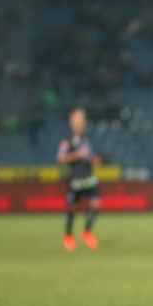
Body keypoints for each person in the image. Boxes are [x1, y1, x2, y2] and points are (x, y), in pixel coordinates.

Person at [57, 107, 100, 251]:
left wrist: (93, 160)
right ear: (72, 122)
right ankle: (68, 235)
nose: (81, 122)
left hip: (88, 176)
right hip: (75, 177)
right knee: (72, 207)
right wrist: (78, 155)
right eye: (78, 119)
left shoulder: (88, 138)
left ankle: (87, 232)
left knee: (95, 204)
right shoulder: (68, 141)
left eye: (82, 119)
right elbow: (61, 158)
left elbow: (87, 156)